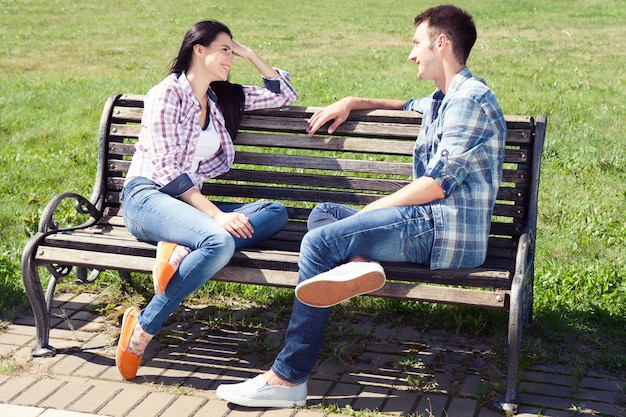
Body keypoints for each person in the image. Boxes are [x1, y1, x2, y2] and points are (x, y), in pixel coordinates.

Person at [215, 4, 507, 408]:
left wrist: (375, 208)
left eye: (417, 43)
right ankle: (356, 261)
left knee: (317, 245)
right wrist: (352, 100)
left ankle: (287, 379)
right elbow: (405, 106)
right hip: (427, 222)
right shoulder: (445, 98)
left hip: (444, 231)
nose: (412, 53)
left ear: (442, 43)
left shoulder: (470, 102)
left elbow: (438, 184)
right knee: (324, 216)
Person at [116, 20, 298, 380]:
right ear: (199, 49)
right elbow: (167, 171)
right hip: (147, 197)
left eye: (234, 50)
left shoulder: (222, 98)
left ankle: (181, 243)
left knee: (274, 213)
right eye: (225, 50)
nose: (232, 58)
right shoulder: (166, 94)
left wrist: (249, 54)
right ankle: (143, 328)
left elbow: (284, 95)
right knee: (217, 241)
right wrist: (216, 215)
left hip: (185, 209)